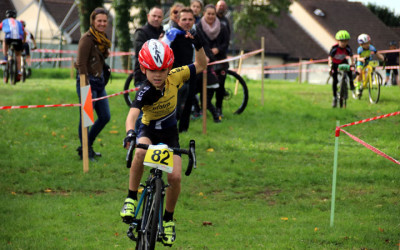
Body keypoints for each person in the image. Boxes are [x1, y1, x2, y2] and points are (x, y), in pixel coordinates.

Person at [120, 37, 206, 246]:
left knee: (175, 177)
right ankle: (131, 198)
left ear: (169, 68)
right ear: (144, 69)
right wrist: (131, 133)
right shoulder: (144, 90)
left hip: (169, 134)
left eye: (162, 70)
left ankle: (168, 220)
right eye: (152, 70)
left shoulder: (176, 77)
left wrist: (199, 45)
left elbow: (202, 64)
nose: (157, 75)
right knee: (140, 152)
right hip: (148, 130)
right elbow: (131, 116)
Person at [75, 7, 111, 161]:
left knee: (105, 116)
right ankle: (85, 150)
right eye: (99, 21)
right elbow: (80, 63)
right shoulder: (87, 38)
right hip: (87, 82)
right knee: (86, 119)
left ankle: (86, 145)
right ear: (93, 21)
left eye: (104, 21)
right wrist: (85, 86)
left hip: (100, 83)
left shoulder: (103, 38)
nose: (102, 24)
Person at [162, 7, 197, 132]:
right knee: (174, 105)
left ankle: (183, 129)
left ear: (194, 20)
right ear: (178, 20)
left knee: (189, 101)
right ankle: (170, 128)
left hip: (191, 72)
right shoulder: (172, 34)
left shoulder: (195, 34)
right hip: (174, 75)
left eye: (190, 19)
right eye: (184, 19)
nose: (187, 22)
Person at [196, 4, 229, 121]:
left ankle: (219, 109)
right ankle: (202, 108)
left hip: (220, 61)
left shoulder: (223, 27)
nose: (210, 16)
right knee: (202, 87)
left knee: (220, 86)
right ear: (204, 14)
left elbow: (226, 42)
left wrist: (218, 49)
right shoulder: (198, 27)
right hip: (205, 61)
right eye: (208, 13)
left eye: (213, 14)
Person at [133, 6, 164, 86]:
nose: (156, 19)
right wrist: (157, 44)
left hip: (161, 78)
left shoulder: (164, 32)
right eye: (154, 16)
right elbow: (139, 52)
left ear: (162, 18)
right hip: (143, 78)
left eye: (159, 17)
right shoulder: (141, 32)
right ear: (148, 16)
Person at [328, 30, 355, 107]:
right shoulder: (334, 48)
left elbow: (351, 56)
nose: (344, 43)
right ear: (338, 41)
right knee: (335, 80)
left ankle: (351, 82)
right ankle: (334, 97)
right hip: (335, 63)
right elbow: (330, 57)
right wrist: (330, 65)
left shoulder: (348, 48)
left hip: (343, 62)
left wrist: (352, 63)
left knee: (349, 69)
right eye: (342, 41)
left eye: (346, 41)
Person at [0, 10, 24, 79]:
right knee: (18, 55)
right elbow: (24, 31)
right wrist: (23, 41)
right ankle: (19, 71)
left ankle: (5, 58)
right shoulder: (19, 23)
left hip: (9, 38)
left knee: (4, 41)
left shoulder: (4, 21)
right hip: (19, 39)